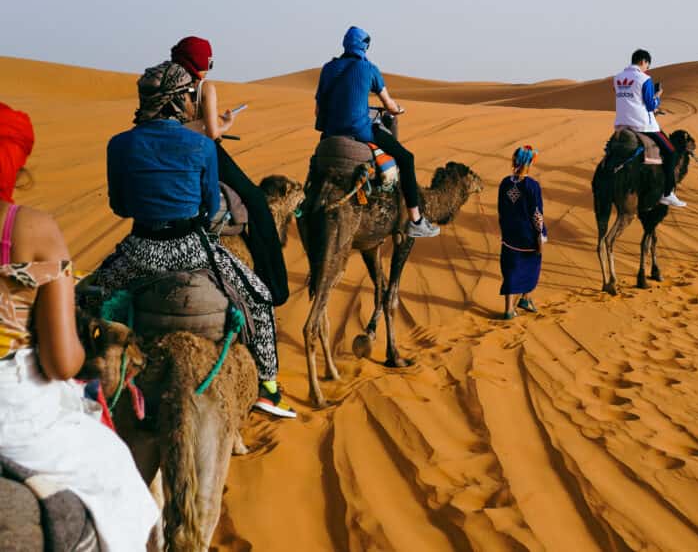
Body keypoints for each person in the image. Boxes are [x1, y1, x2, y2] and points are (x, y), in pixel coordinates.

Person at [92, 62, 295, 418]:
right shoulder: (200, 145)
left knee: (86, 299)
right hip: (191, 250)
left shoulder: (118, 145)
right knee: (260, 299)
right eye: (186, 96)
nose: (190, 101)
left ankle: (80, 384)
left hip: (138, 251)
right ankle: (268, 386)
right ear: (175, 101)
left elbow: (120, 205)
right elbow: (210, 205)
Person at [0, 102, 159, 550]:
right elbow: (59, 362)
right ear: (17, 165)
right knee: (116, 474)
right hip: (13, 407)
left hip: (138, 249)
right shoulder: (33, 229)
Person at [169, 36, 290, 306]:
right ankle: (274, 288)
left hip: (164, 154)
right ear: (199, 61)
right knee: (256, 200)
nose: (209, 68)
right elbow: (212, 133)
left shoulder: (163, 85)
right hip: (201, 151)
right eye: (208, 61)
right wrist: (227, 122)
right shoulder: (203, 87)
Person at [314, 26, 440, 237]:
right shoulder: (369, 69)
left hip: (330, 132)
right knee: (407, 159)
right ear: (365, 46)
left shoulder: (328, 68)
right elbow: (389, 105)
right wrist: (398, 109)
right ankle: (416, 221)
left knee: (317, 161)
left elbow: (318, 110)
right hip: (361, 131)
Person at [613, 49, 686, 207]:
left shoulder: (617, 78)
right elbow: (650, 105)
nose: (647, 68)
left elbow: (625, 97)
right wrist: (658, 96)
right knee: (671, 152)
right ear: (643, 62)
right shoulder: (645, 79)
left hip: (621, 124)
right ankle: (667, 193)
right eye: (647, 64)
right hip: (642, 125)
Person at [497, 146, 547, 318]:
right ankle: (520, 301)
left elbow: (501, 209)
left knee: (510, 269)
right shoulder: (532, 186)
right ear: (530, 163)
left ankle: (513, 306)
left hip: (509, 235)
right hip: (527, 237)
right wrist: (540, 235)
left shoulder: (505, 183)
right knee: (531, 266)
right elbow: (537, 214)